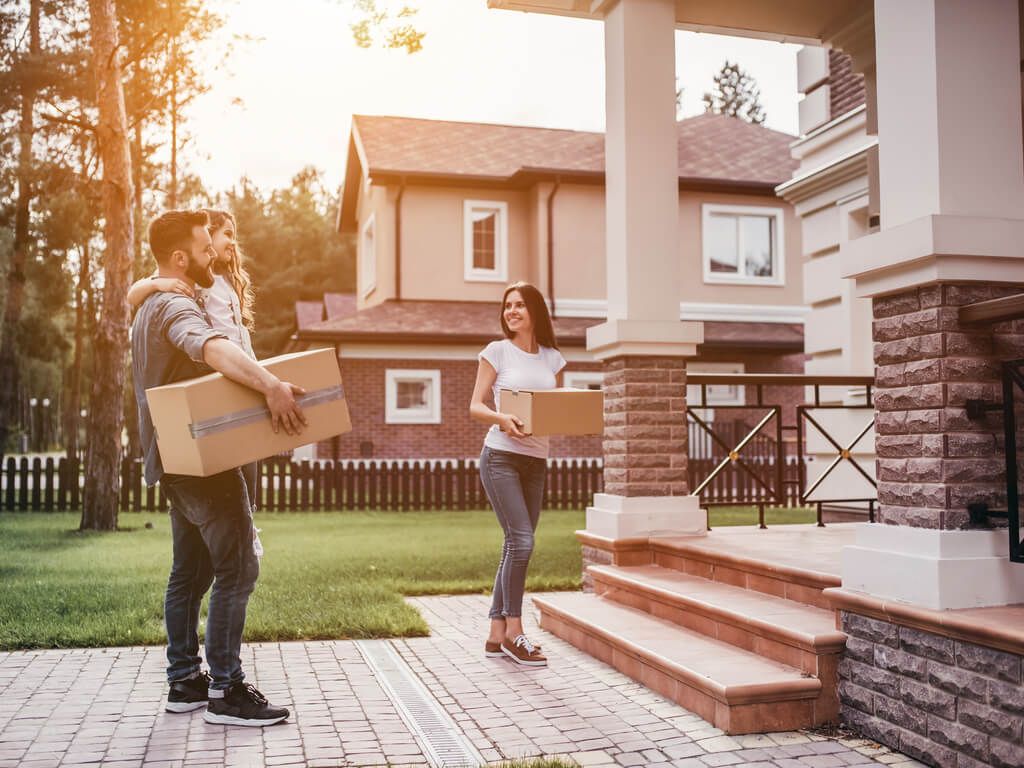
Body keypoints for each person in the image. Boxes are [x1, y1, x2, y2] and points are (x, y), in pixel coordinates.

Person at [131, 209, 304, 726]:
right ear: (181, 257)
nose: (215, 255)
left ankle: (184, 682)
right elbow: (211, 347)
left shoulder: (150, 305)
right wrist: (271, 386)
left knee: (191, 570)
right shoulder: (174, 308)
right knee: (237, 568)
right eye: (205, 249)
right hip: (202, 464)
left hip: (173, 459)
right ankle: (227, 690)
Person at [128, 208, 259, 505]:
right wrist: (156, 284)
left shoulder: (224, 282)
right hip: (223, 375)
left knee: (248, 476)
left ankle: (249, 525)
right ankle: (246, 534)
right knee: (232, 489)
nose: (229, 244)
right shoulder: (192, 281)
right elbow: (133, 293)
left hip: (242, 374)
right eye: (225, 234)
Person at [469, 281, 565, 667]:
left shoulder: (553, 359)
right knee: (522, 543)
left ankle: (495, 635)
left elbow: (553, 409)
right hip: (501, 457)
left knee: (515, 544)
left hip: (536, 460)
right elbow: (475, 406)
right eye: (508, 306)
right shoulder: (497, 352)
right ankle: (514, 631)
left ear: (535, 311)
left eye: (520, 305)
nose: (511, 311)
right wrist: (501, 418)